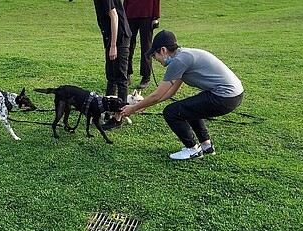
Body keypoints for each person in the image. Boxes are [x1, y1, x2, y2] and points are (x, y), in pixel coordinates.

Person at [119, 30, 244, 160]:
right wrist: (143, 105)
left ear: (163, 50)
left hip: (224, 97)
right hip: (233, 95)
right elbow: (171, 91)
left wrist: (132, 108)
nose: (156, 60)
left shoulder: (178, 61)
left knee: (171, 112)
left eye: (155, 56)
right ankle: (206, 145)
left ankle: (192, 149)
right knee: (188, 107)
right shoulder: (183, 56)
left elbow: (157, 95)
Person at [93, 0, 132, 130]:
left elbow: (114, 16)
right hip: (110, 38)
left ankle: (118, 118)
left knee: (121, 78)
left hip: (119, 38)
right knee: (111, 77)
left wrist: (114, 45)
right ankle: (107, 109)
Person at [124, 0, 160, 89]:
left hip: (147, 15)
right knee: (128, 46)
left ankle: (146, 77)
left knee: (146, 48)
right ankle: (126, 74)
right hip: (131, 14)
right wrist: (123, 13)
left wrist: (156, 17)